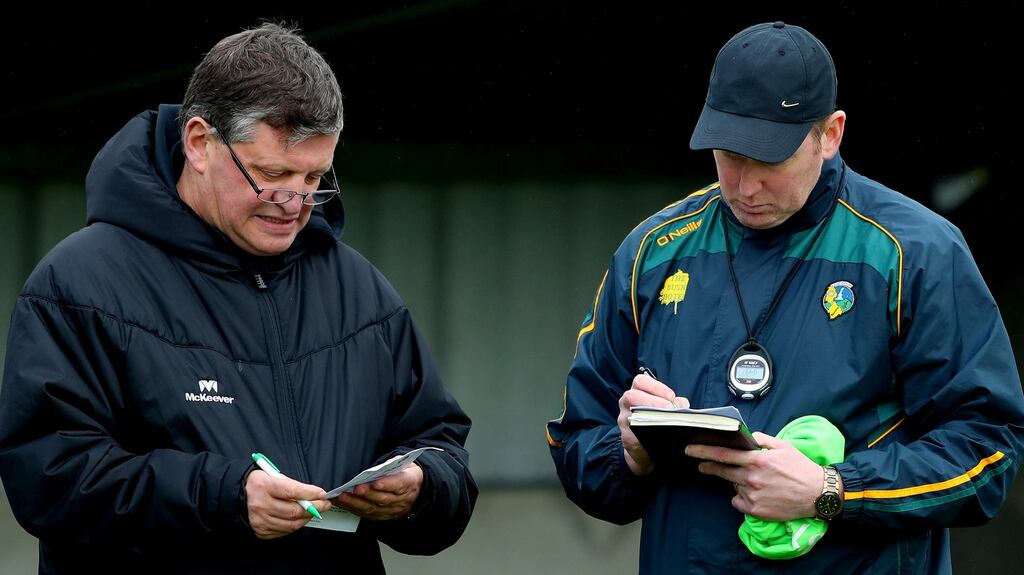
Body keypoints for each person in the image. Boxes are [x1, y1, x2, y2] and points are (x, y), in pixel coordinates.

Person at [547, 21, 1024, 574]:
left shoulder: (915, 252)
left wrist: (834, 490)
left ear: (831, 134)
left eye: (769, 159)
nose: (745, 186)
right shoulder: (652, 252)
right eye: (728, 155)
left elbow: (988, 449)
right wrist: (629, 455)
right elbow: (577, 442)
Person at [0, 23, 476, 573]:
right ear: (200, 143)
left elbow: (440, 447)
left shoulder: (361, 292)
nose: (295, 203)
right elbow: (50, 479)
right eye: (272, 175)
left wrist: (422, 490)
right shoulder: (77, 286)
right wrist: (222, 497)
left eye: (314, 177)